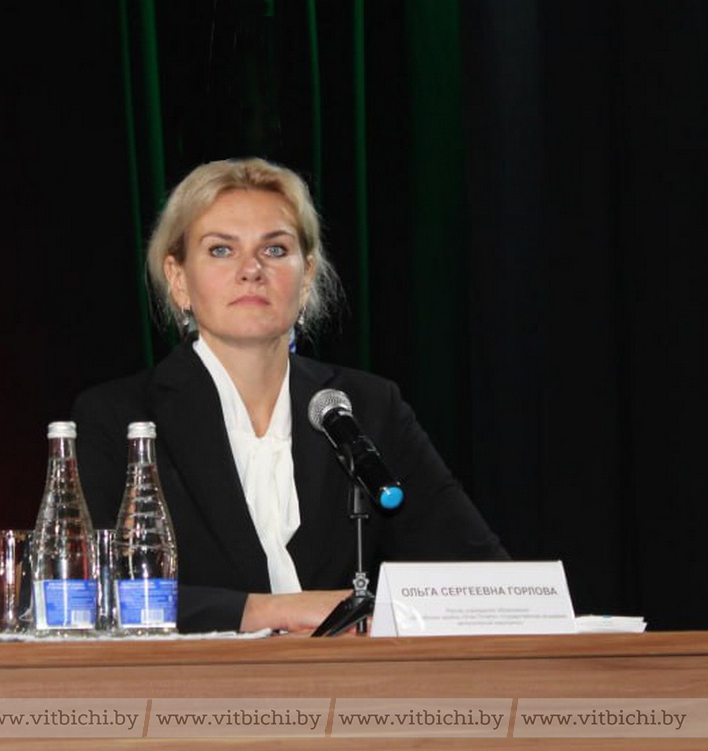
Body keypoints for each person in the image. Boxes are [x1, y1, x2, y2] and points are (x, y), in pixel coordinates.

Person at [72, 157, 508, 634]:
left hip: (347, 679)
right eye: (221, 250)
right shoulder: (118, 417)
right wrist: (272, 611)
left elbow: (481, 577)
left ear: (306, 277)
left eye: (275, 250)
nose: (251, 270)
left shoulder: (368, 407)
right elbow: (91, 592)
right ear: (179, 280)